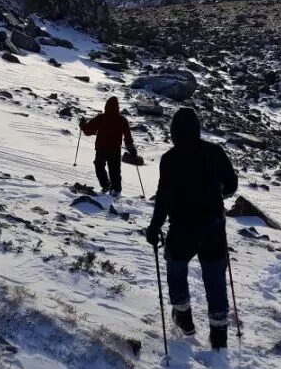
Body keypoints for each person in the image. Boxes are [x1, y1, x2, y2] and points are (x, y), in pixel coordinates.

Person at [145, 107, 238, 350]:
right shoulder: (215, 152)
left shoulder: (169, 159)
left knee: (176, 271)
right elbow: (232, 184)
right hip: (213, 228)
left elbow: (164, 198)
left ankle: (183, 317)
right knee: (215, 280)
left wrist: (155, 227)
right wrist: (221, 193)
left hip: (182, 228)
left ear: (174, 131)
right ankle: (219, 336)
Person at [80, 97, 136, 196]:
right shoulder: (122, 120)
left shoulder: (101, 117)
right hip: (115, 149)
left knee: (99, 166)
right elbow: (127, 136)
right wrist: (131, 149)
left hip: (101, 148)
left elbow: (89, 131)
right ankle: (116, 190)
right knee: (115, 170)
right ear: (117, 107)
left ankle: (106, 185)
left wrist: (83, 125)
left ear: (106, 106)